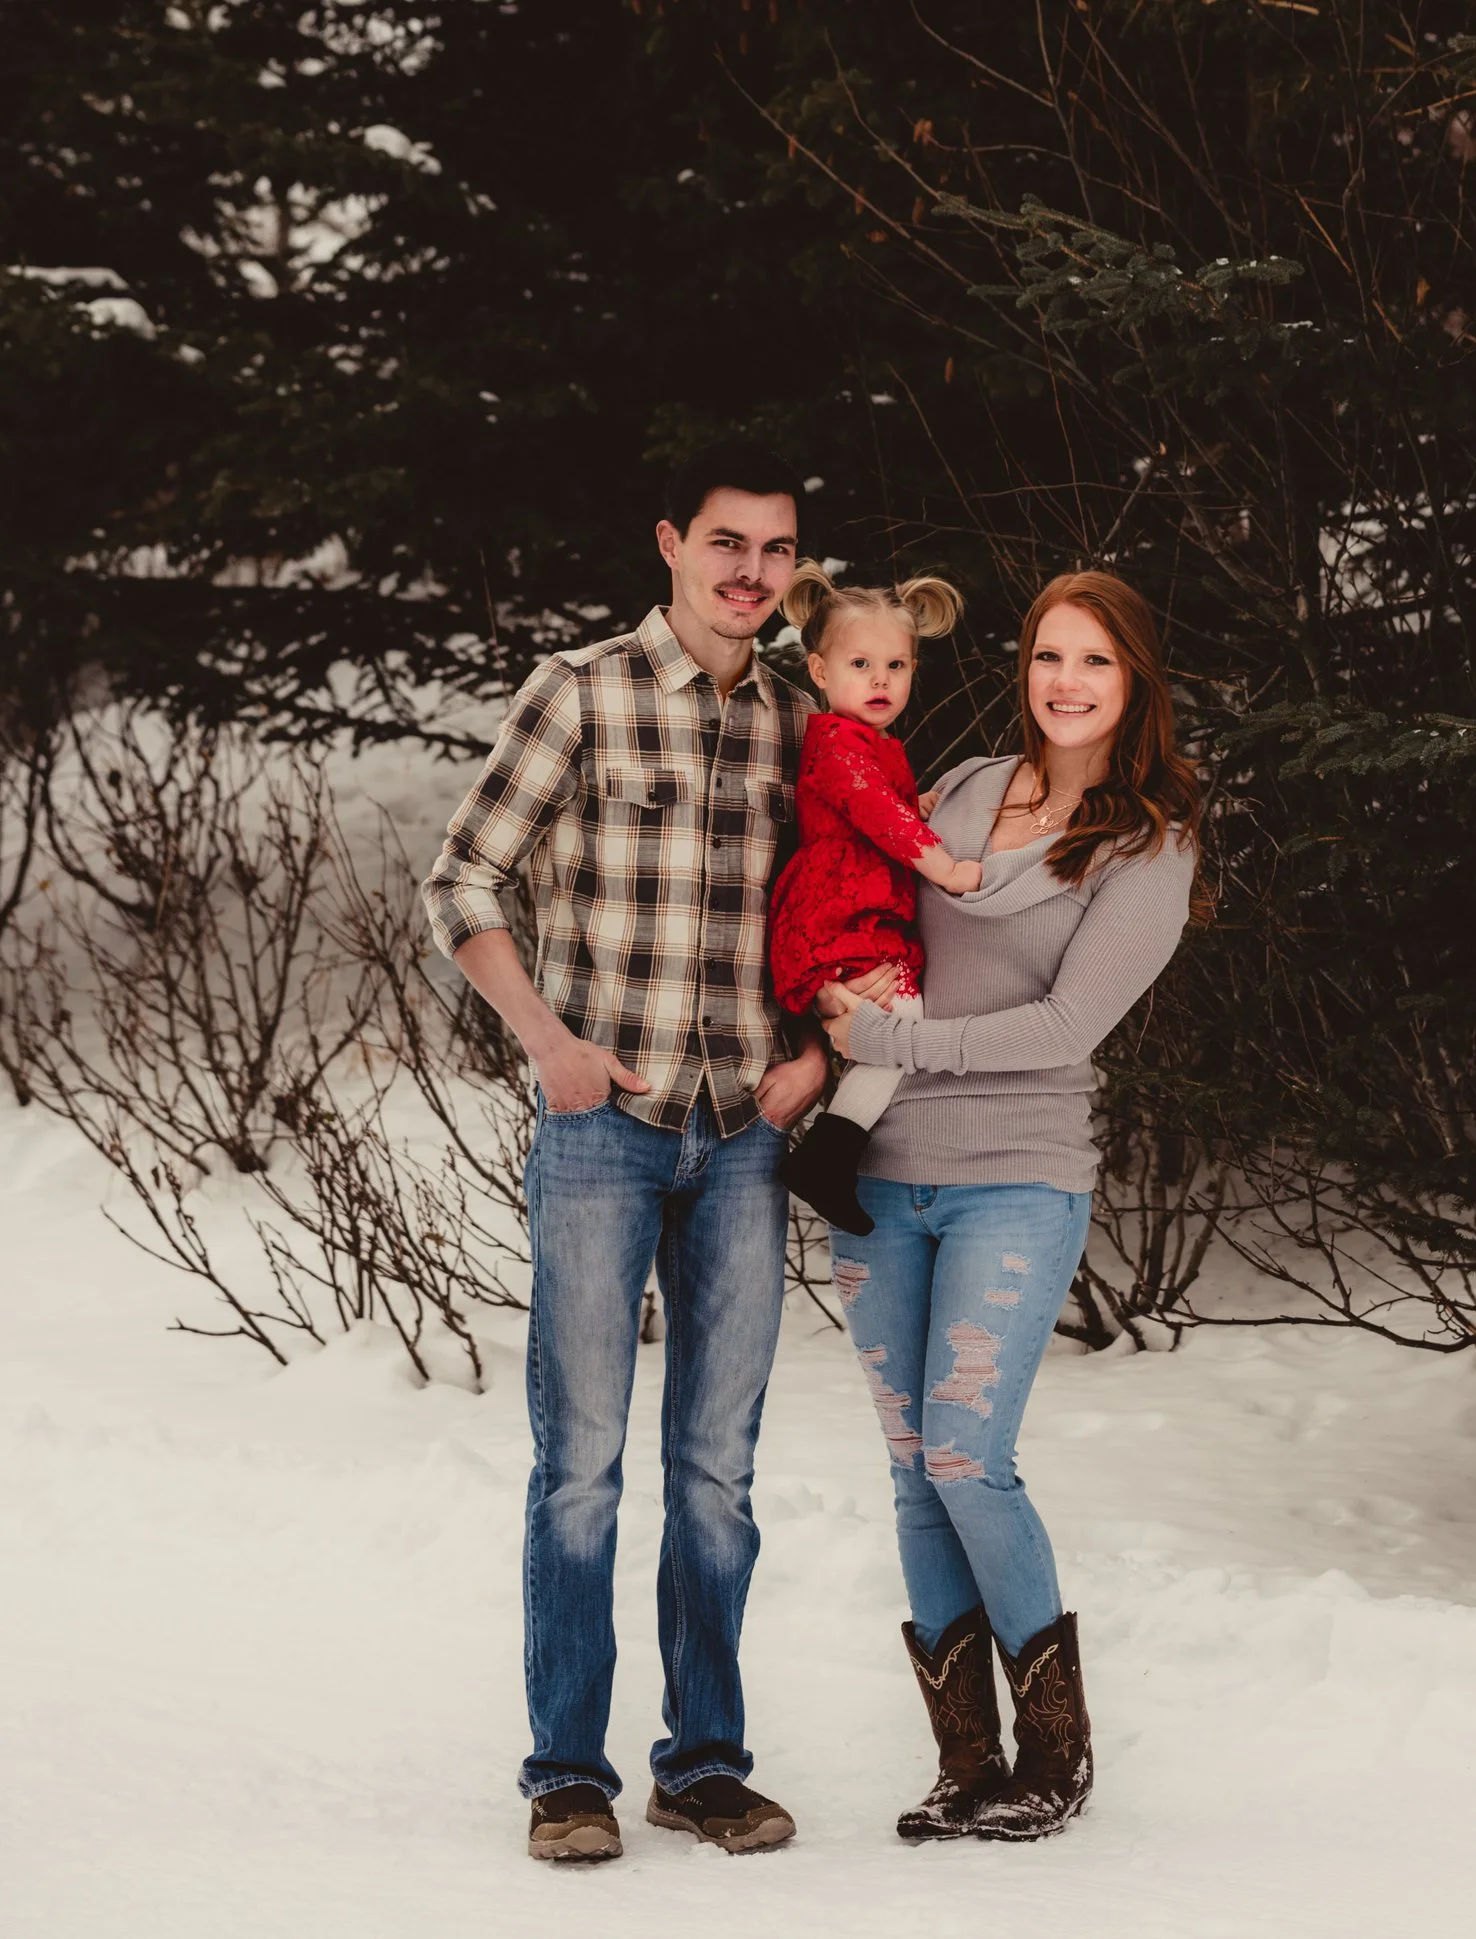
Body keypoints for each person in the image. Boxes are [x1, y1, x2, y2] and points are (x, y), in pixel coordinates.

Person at [421, 439, 827, 1862]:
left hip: (745, 1140)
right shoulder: (581, 690)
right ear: (672, 542)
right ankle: (566, 1771)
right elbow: (463, 870)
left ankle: (703, 1759)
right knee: (581, 1459)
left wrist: (819, 1060)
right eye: (728, 543)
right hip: (603, 1128)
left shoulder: (798, 716)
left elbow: (851, 910)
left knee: (717, 1468)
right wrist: (545, 1038)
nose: (751, 575)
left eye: (777, 551)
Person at [815, 569, 1204, 1844]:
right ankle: (964, 1762)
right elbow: (868, 898)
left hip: (1016, 1176)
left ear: (1133, 678)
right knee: (914, 1474)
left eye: (1095, 660)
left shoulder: (1149, 841)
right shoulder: (970, 787)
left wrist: (891, 1040)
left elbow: (1064, 1025)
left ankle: (1055, 1755)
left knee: (970, 1456)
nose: (1068, 682)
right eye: (1049, 655)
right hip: (873, 1174)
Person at [767, 566, 983, 1236]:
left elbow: (877, 805)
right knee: (901, 1023)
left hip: (858, 911)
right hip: (837, 912)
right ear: (820, 671)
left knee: (896, 1022)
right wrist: (946, 867)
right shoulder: (834, 739)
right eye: (861, 664)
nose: (881, 679)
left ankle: (833, 1153)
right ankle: (830, 1154)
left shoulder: (874, 744)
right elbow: (872, 814)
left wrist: (912, 801)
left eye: (896, 664)